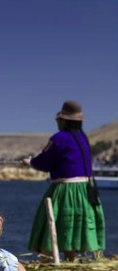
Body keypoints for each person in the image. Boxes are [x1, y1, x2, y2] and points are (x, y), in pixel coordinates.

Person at [21, 100, 105, 261]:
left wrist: (30, 162)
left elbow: (45, 161)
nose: (57, 123)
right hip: (87, 190)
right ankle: (70, 259)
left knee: (54, 222)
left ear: (65, 121)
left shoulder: (59, 138)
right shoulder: (83, 138)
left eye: (59, 120)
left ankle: (45, 260)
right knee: (73, 225)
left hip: (67, 189)